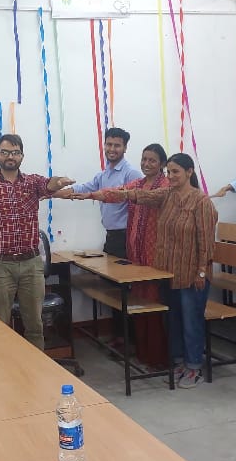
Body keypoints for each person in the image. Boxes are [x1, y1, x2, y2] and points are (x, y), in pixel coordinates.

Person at [74, 153, 217, 389]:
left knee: (191, 322)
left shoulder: (201, 202)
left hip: (192, 274)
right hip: (169, 273)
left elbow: (207, 241)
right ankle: (179, 363)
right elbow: (138, 195)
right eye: (169, 172)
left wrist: (202, 271)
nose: (171, 176)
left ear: (189, 172)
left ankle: (193, 367)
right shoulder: (167, 195)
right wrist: (94, 195)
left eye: (175, 172)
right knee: (173, 320)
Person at [0, 134, 75, 350]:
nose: (11, 156)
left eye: (15, 152)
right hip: (0, 266)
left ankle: (35, 369)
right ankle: (3, 367)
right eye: (5, 152)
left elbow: (49, 184)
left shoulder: (33, 183)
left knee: (35, 325)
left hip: (31, 265)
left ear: (22, 156)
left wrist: (58, 182)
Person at [115, 143, 170, 370]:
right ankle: (142, 353)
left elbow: (144, 197)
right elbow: (115, 193)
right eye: (144, 159)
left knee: (153, 305)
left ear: (162, 164)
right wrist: (85, 195)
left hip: (154, 257)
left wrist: (125, 194)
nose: (146, 164)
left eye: (152, 160)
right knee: (138, 302)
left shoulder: (166, 185)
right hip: (135, 254)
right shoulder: (137, 183)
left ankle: (157, 358)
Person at [62, 127, 142, 258]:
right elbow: (82, 188)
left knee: (124, 271)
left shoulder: (131, 173)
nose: (112, 149)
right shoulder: (104, 174)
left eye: (117, 145)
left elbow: (123, 197)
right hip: (111, 236)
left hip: (126, 237)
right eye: (109, 144)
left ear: (125, 148)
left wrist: (90, 196)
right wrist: (50, 193)